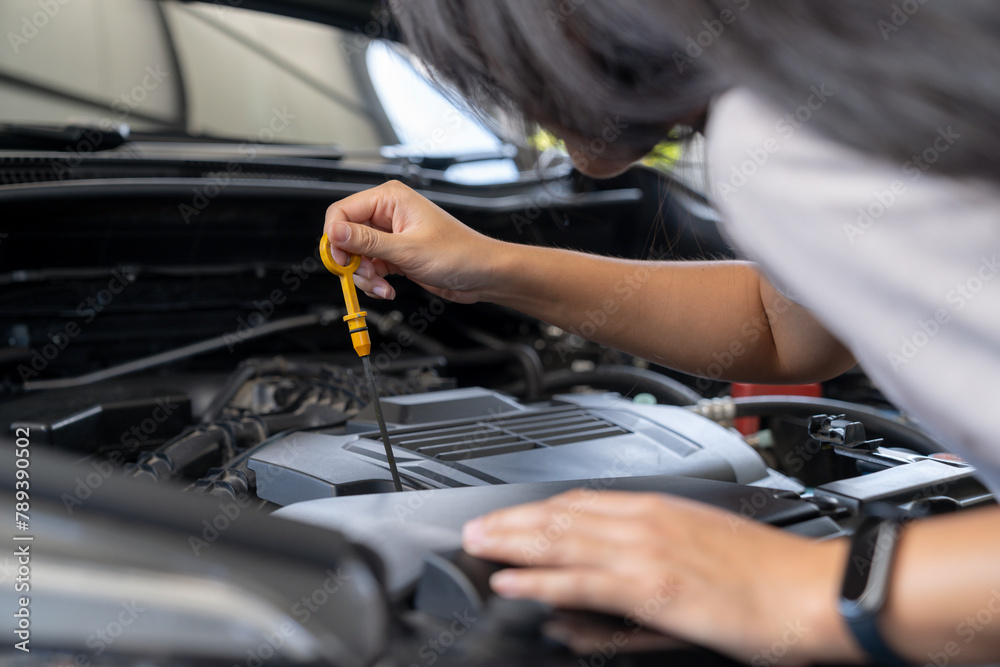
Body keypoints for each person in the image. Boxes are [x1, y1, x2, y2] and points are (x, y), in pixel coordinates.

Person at [323, 1, 1000, 663]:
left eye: (488, 68)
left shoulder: (778, 139)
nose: (508, 99)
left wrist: (793, 590)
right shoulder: (845, 71)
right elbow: (786, 327)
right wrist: (492, 265)